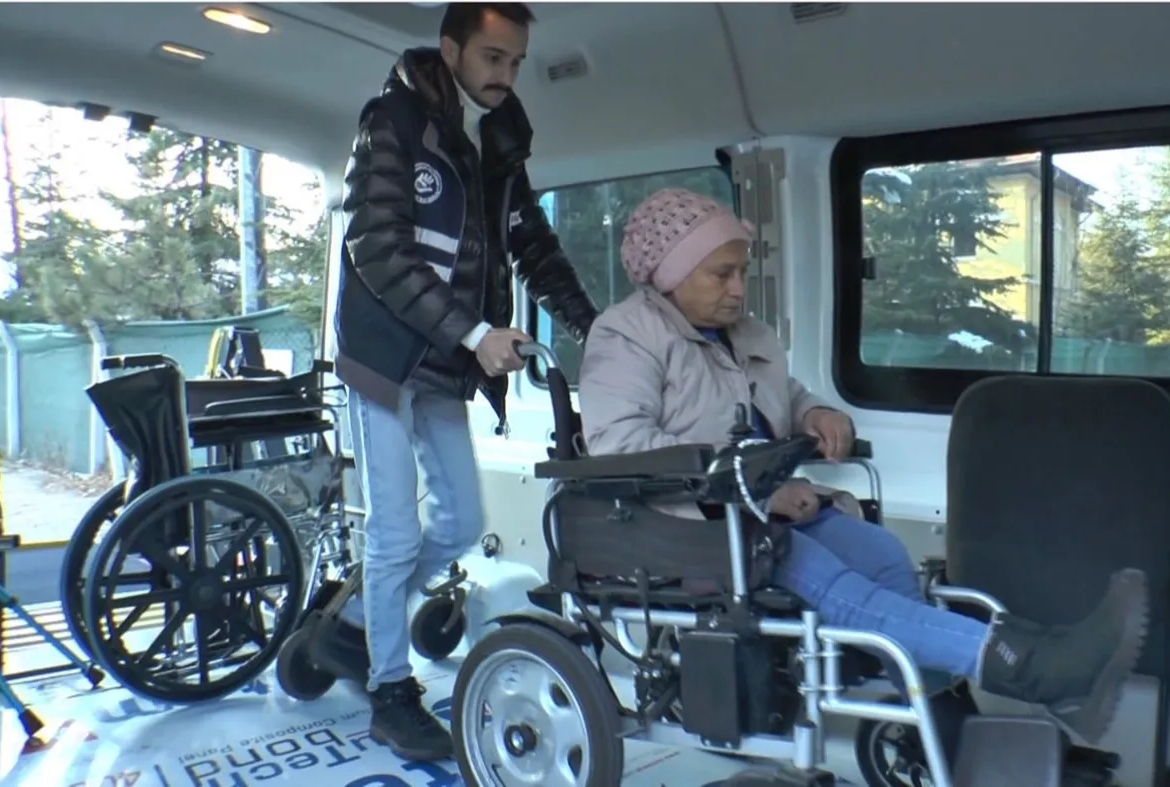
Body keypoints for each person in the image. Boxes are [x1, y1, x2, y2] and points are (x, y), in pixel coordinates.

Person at [576, 187, 1148, 752]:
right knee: (842, 589)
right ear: (671, 275)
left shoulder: (746, 333)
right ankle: (1039, 670)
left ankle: (940, 724)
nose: (738, 289)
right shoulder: (626, 335)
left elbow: (783, 396)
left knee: (883, 553)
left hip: (763, 508)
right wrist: (757, 491)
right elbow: (620, 445)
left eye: (742, 272)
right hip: (684, 525)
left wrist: (816, 413)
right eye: (721, 275)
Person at [334, 2, 597, 762]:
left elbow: (530, 242)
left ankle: (355, 623)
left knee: (457, 522)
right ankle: (391, 692)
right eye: (492, 57)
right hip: (385, 356)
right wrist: (477, 334)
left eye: (515, 62)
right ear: (450, 50)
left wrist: (593, 326)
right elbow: (376, 246)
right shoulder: (394, 120)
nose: (505, 75)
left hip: (445, 361)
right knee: (394, 532)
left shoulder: (503, 136)